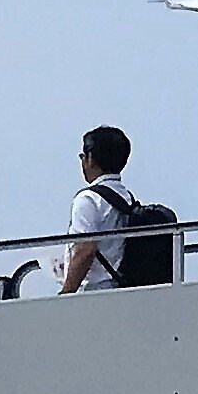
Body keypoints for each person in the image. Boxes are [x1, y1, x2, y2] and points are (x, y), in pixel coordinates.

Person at [59, 126, 141, 293]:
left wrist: (66, 293)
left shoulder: (87, 199)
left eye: (83, 156)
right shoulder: (128, 199)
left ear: (91, 158)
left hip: (94, 293)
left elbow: (86, 250)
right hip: (121, 288)